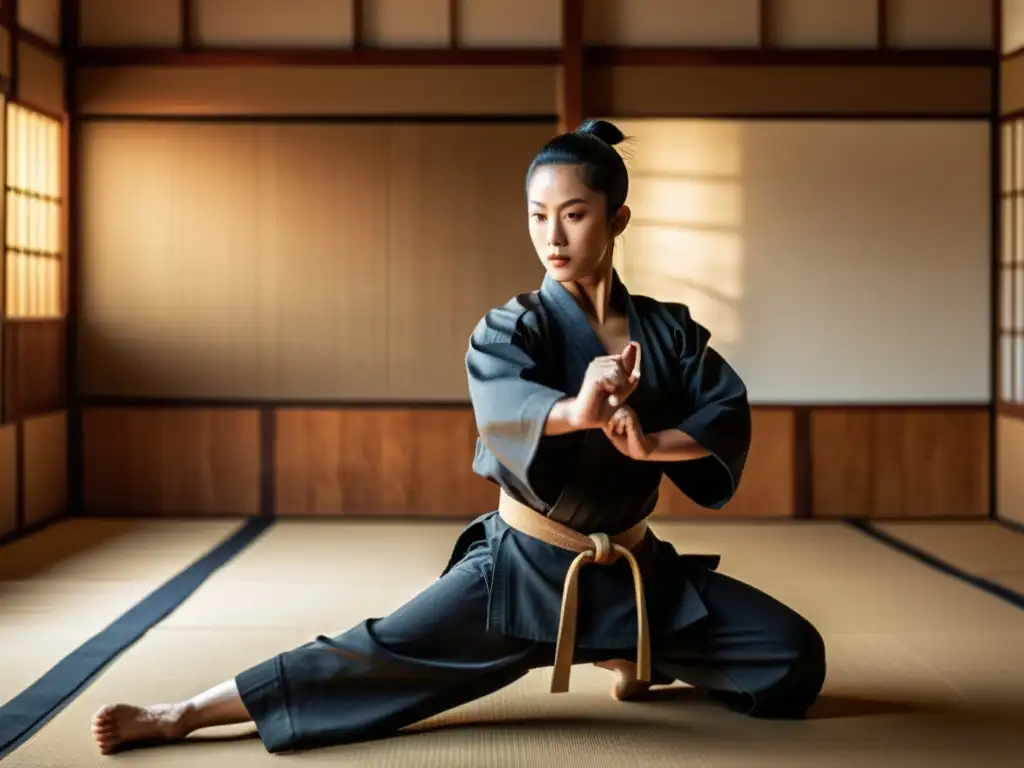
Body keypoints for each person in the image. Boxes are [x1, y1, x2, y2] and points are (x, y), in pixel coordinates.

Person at [91, 118, 826, 756]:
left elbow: (723, 411)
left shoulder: (669, 329)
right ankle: (183, 713)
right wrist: (580, 409)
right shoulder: (512, 327)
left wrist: (647, 446)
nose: (553, 236)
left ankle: (631, 653)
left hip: (636, 569)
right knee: (371, 656)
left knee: (794, 660)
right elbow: (510, 409)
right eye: (538, 216)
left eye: (574, 215)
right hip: (527, 572)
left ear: (618, 219)